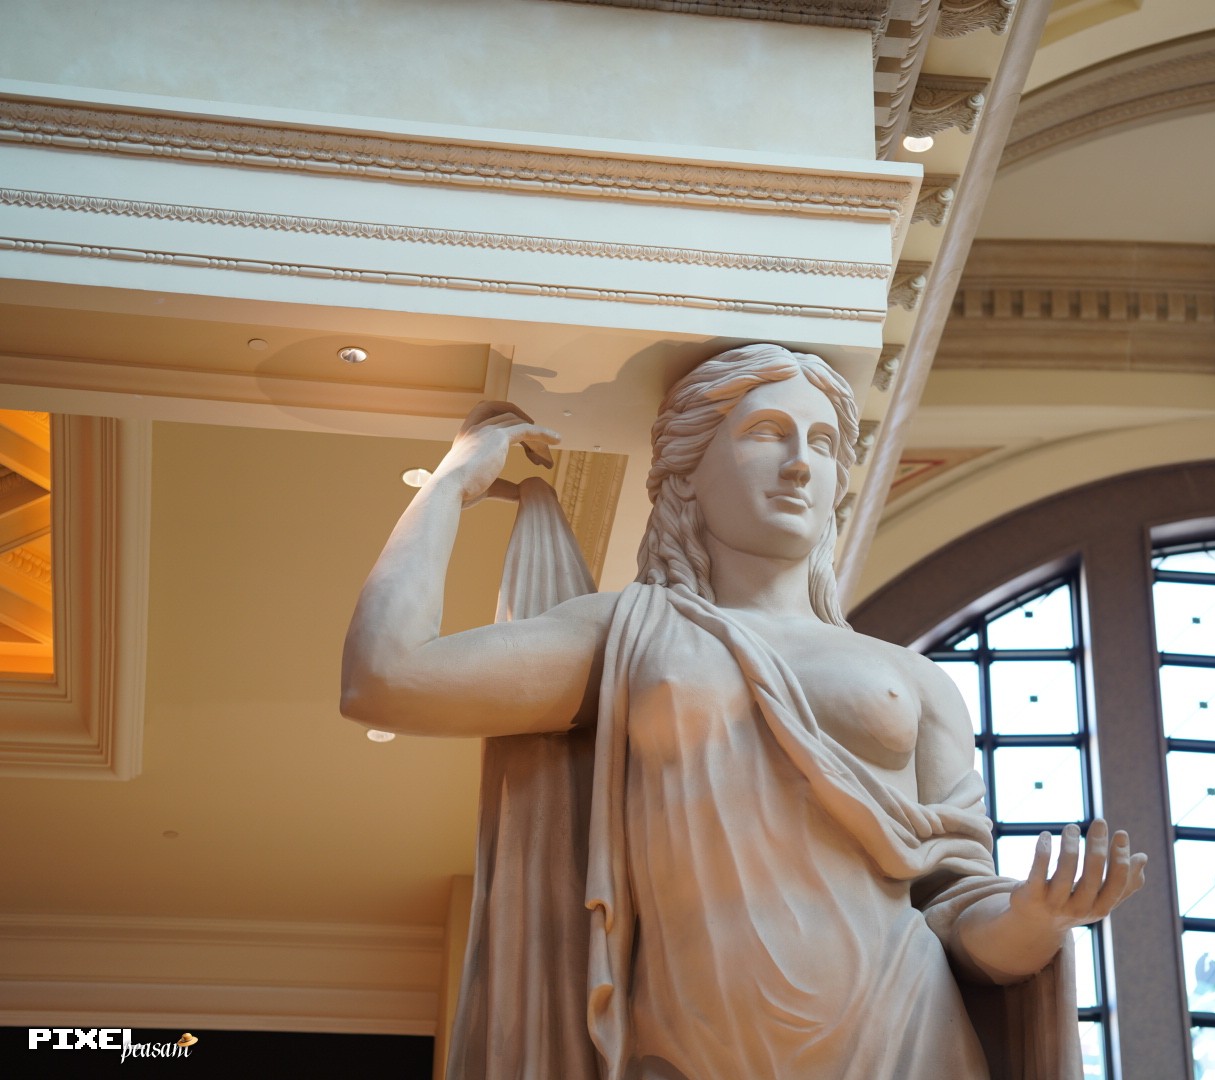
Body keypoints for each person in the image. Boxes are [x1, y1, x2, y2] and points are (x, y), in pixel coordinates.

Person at [341, 343, 1147, 1079]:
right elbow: (386, 679)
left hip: (905, 1032)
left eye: (823, 444)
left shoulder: (913, 679)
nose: (800, 465)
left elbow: (957, 911)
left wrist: (1037, 918)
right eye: (767, 434)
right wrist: (450, 485)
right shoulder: (629, 632)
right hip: (693, 1046)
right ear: (686, 470)